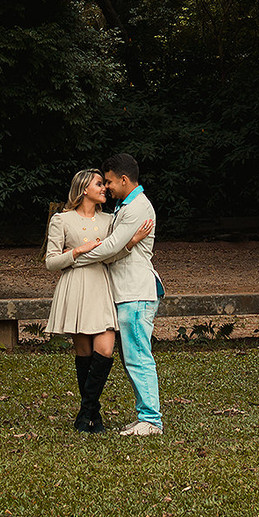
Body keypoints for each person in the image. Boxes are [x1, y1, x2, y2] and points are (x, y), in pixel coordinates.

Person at [44, 168, 152, 433]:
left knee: (104, 350)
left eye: (105, 183)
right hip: (76, 288)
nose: (105, 188)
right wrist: (77, 251)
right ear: (84, 189)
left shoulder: (109, 220)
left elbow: (111, 254)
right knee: (83, 355)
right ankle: (92, 417)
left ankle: (86, 410)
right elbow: (51, 262)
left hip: (103, 287)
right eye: (99, 184)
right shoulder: (61, 220)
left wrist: (131, 242)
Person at [73, 152, 162, 436]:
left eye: (109, 181)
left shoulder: (137, 207)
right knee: (132, 358)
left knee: (138, 357)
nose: (107, 187)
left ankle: (151, 420)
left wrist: (75, 258)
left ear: (124, 179)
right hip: (126, 293)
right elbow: (116, 248)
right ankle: (145, 416)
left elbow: (111, 247)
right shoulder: (126, 206)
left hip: (135, 292)